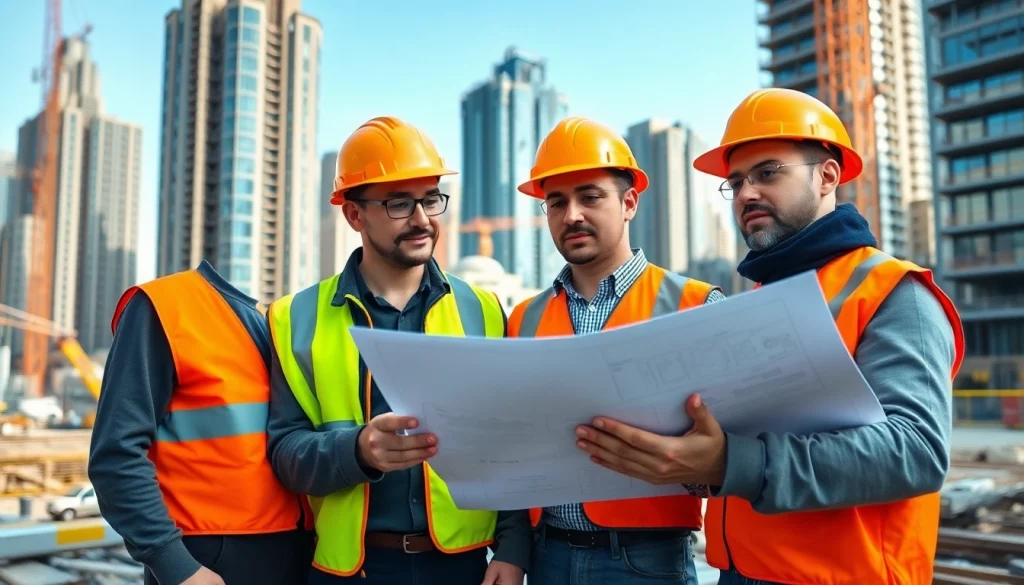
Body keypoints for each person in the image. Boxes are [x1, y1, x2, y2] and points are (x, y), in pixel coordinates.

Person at [573, 88, 966, 585]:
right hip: (742, 572)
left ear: (828, 176)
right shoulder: (762, 299)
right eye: (736, 182)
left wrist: (731, 462)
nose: (746, 193)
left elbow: (915, 452)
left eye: (768, 173)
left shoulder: (893, 292)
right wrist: (690, 457)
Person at [265, 116, 530, 585]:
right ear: (354, 215)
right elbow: (285, 455)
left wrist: (512, 548)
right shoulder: (294, 318)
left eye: (431, 199)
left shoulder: (484, 310)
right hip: (351, 572)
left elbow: (506, 440)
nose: (422, 219)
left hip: (463, 567)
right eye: (400, 203)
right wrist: (358, 451)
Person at [506, 116, 726, 585]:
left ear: (629, 203)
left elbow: (733, 454)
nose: (572, 215)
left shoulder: (697, 305)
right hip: (546, 558)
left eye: (590, 197)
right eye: (556, 202)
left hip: (648, 562)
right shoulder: (522, 318)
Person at [88, 263, 314, 585]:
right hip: (207, 560)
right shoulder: (168, 305)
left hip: (297, 553)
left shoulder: (284, 325)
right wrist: (176, 566)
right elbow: (115, 456)